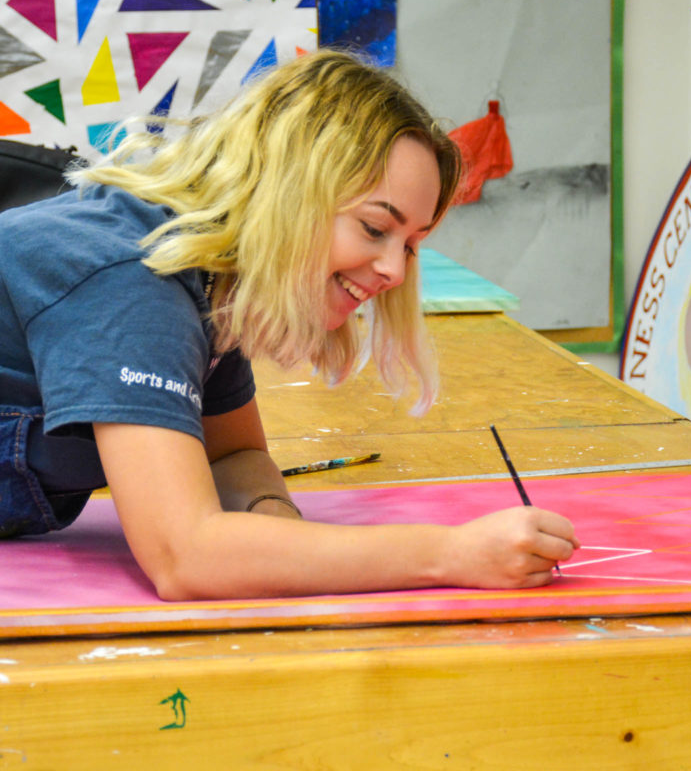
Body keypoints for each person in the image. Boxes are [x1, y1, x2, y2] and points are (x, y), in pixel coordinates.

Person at [0, 49, 578, 598]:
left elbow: (232, 458)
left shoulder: (211, 281)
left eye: (410, 245)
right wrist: (450, 553)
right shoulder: (134, 283)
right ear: (287, 196)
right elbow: (186, 556)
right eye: (376, 228)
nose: (393, 271)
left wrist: (275, 527)